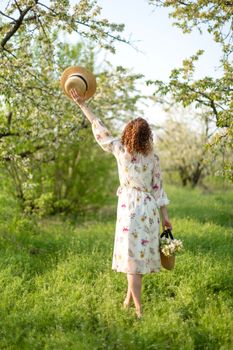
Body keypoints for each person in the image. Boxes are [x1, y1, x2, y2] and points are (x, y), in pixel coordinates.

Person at [70, 89, 172, 319]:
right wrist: (165, 216)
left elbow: (98, 126)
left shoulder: (120, 149)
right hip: (148, 208)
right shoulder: (153, 157)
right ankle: (128, 300)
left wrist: (82, 104)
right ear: (147, 136)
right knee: (137, 256)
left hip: (129, 209)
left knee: (131, 261)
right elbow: (159, 190)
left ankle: (139, 312)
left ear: (128, 133)